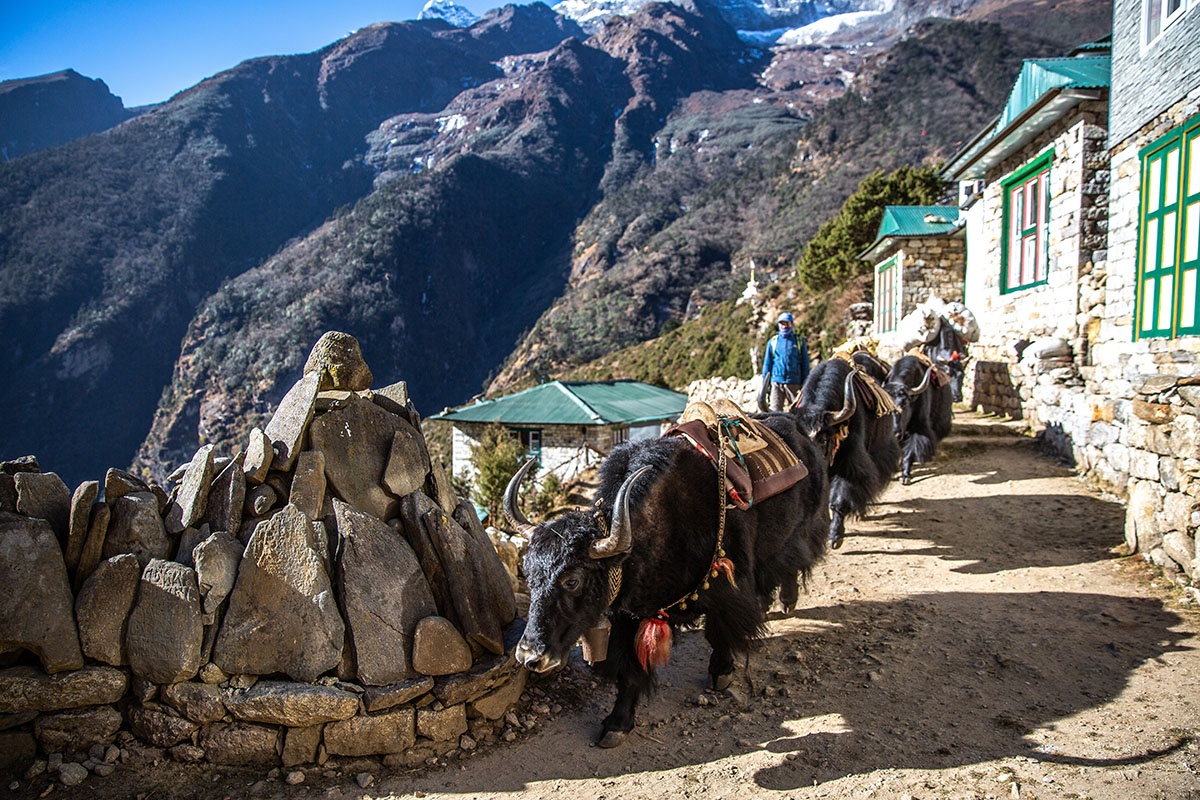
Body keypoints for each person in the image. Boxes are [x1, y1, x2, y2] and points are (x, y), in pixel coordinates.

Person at [761, 312, 810, 411]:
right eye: (782, 323)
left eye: (787, 323)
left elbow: (805, 363)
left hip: (794, 382)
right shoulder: (773, 342)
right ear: (778, 324)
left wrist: (805, 383)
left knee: (797, 411)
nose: (784, 326)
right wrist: (765, 384)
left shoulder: (799, 341)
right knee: (774, 411)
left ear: (792, 324)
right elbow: (767, 364)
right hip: (776, 382)